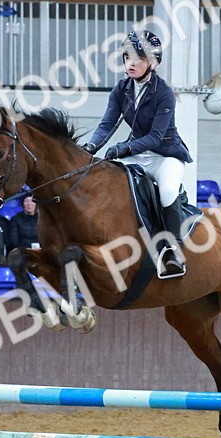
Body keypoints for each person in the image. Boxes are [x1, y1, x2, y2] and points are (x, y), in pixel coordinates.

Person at [82, 30, 193, 279]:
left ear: (152, 63)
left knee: (166, 192)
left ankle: (174, 252)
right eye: (128, 57)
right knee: (108, 179)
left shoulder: (164, 93)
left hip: (165, 156)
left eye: (139, 59)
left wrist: (124, 148)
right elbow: (107, 124)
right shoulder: (121, 90)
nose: (132, 63)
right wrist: (91, 147)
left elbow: (155, 137)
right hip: (137, 154)